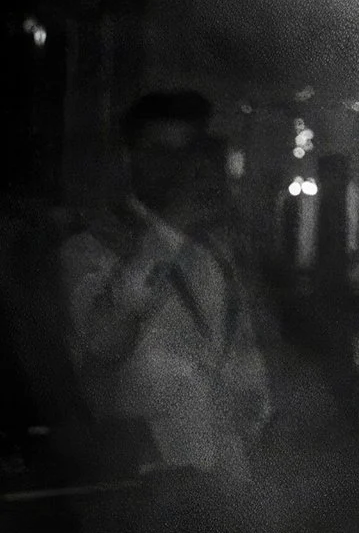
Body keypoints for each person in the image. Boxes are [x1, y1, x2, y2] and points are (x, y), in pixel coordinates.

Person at [56, 89, 273, 481]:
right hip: (139, 485)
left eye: (185, 153)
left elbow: (242, 354)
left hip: (225, 477)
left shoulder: (215, 251)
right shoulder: (89, 249)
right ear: (129, 158)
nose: (175, 167)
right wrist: (170, 228)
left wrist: (253, 422)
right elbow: (104, 341)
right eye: (159, 151)